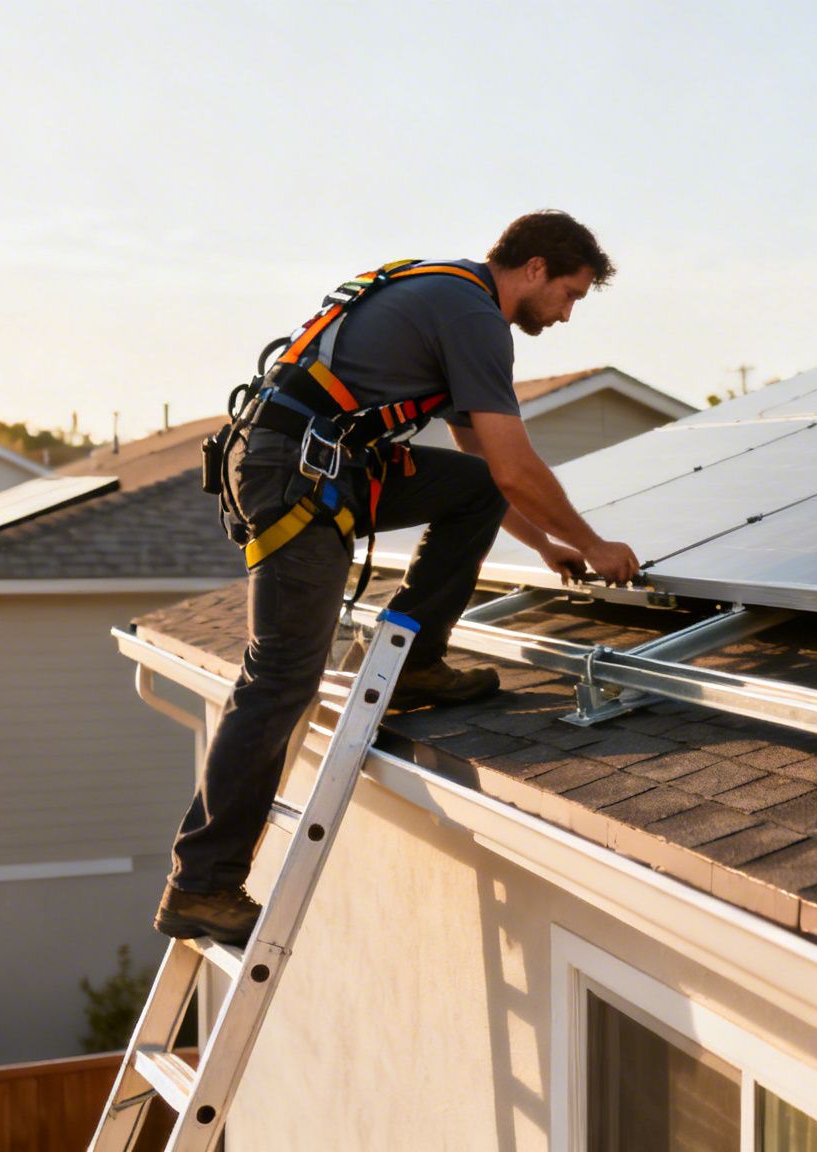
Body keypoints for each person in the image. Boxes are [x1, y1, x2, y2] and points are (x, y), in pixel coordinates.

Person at [156, 211, 640, 945]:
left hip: (311, 461)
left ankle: (412, 663)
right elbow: (516, 463)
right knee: (282, 675)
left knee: (472, 490)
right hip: (297, 474)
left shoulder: (448, 292)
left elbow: (486, 471)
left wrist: (546, 545)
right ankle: (202, 884)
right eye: (569, 294)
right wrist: (594, 544)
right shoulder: (475, 317)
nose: (567, 314)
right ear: (535, 268)